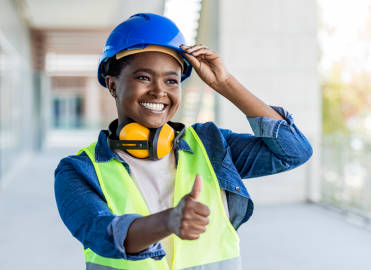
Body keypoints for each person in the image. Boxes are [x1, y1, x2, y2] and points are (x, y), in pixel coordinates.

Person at [54, 13, 312, 270]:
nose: (159, 91)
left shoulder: (212, 147)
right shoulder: (78, 170)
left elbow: (293, 151)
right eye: (143, 77)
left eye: (171, 80)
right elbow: (103, 234)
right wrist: (170, 221)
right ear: (112, 85)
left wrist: (225, 83)